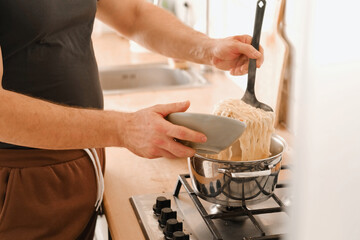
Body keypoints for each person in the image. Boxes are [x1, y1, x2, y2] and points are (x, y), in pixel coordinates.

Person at [0, 0, 264, 239]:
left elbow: (133, 15)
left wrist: (209, 49)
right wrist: (123, 129)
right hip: (22, 186)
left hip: (83, 161)